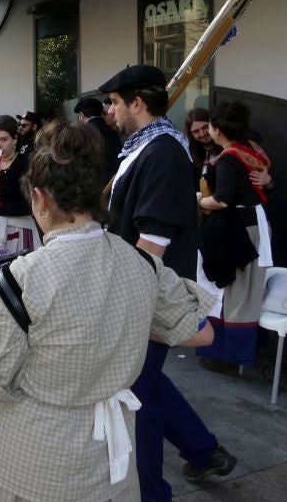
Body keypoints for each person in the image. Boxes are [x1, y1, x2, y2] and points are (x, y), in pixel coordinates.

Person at [0, 120, 215, 502]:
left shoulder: (21, 278)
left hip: (34, 457)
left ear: (41, 198)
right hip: (110, 455)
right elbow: (200, 331)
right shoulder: (141, 263)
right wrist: (114, 318)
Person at [100, 64, 237, 497]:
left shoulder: (161, 153)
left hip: (145, 294)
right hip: (139, 290)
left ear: (136, 104)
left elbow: (151, 244)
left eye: (115, 103)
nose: (110, 111)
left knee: (135, 398)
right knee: (146, 383)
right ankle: (203, 450)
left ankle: (152, 492)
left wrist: (117, 302)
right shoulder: (147, 147)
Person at [197, 101, 273, 367]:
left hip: (241, 227)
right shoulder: (250, 150)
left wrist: (198, 201)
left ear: (216, 129)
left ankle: (228, 356)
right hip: (254, 223)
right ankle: (237, 353)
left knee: (236, 291)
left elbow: (222, 199)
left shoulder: (229, 157)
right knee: (246, 289)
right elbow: (264, 181)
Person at [0, 115, 42, 253]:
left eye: (4, 140)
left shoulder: (26, 163)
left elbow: (28, 206)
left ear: (15, 139)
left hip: (19, 230)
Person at [74, 97, 121, 186]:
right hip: (115, 182)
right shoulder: (112, 131)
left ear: (81, 115)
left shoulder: (82, 133)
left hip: (94, 185)